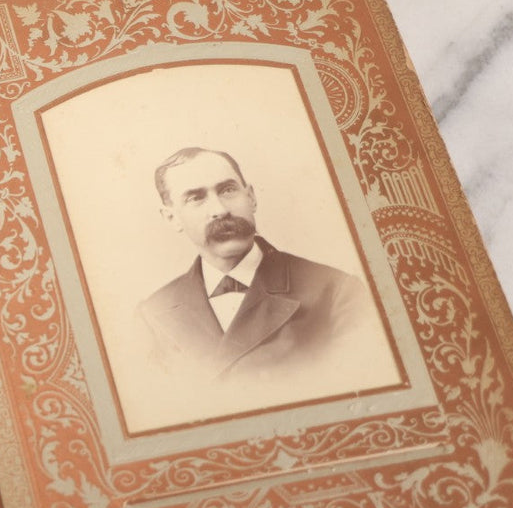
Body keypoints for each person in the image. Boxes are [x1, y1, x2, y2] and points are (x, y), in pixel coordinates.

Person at [135, 146, 380, 383]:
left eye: (228, 190)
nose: (220, 210)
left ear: (251, 197)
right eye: (196, 198)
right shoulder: (154, 314)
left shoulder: (336, 291)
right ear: (172, 217)